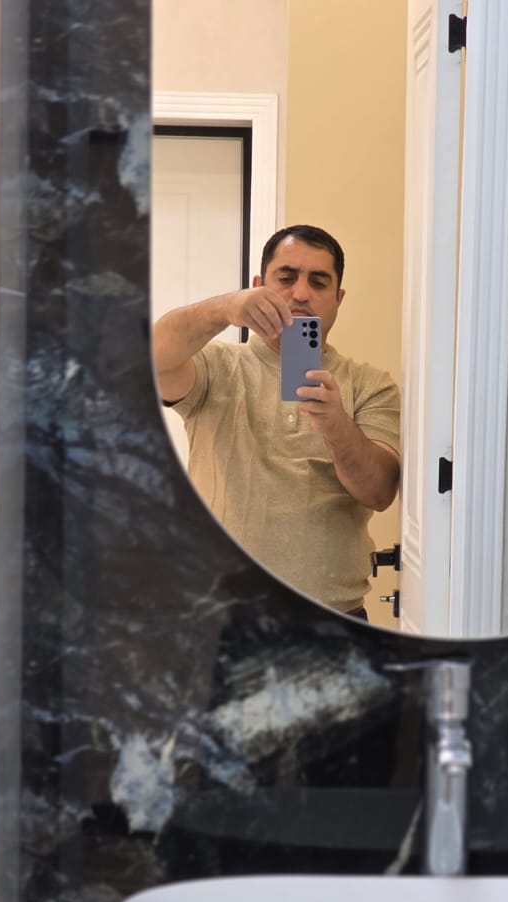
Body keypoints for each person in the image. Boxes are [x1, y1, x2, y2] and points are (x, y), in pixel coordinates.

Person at [153, 224, 401, 618]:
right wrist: (224, 308)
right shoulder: (216, 366)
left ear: (338, 299)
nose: (300, 293)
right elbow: (153, 357)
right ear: (258, 286)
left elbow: (379, 492)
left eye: (318, 282)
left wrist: (336, 425)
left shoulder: (371, 385)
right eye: (286, 278)